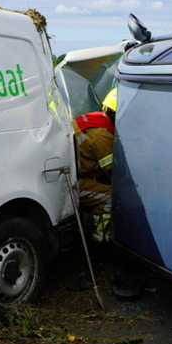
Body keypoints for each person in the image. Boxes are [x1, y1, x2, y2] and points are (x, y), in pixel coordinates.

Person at [72, 88, 117, 241]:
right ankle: (100, 239)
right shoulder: (102, 134)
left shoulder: (92, 118)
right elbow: (113, 174)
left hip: (71, 173)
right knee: (112, 195)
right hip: (74, 184)